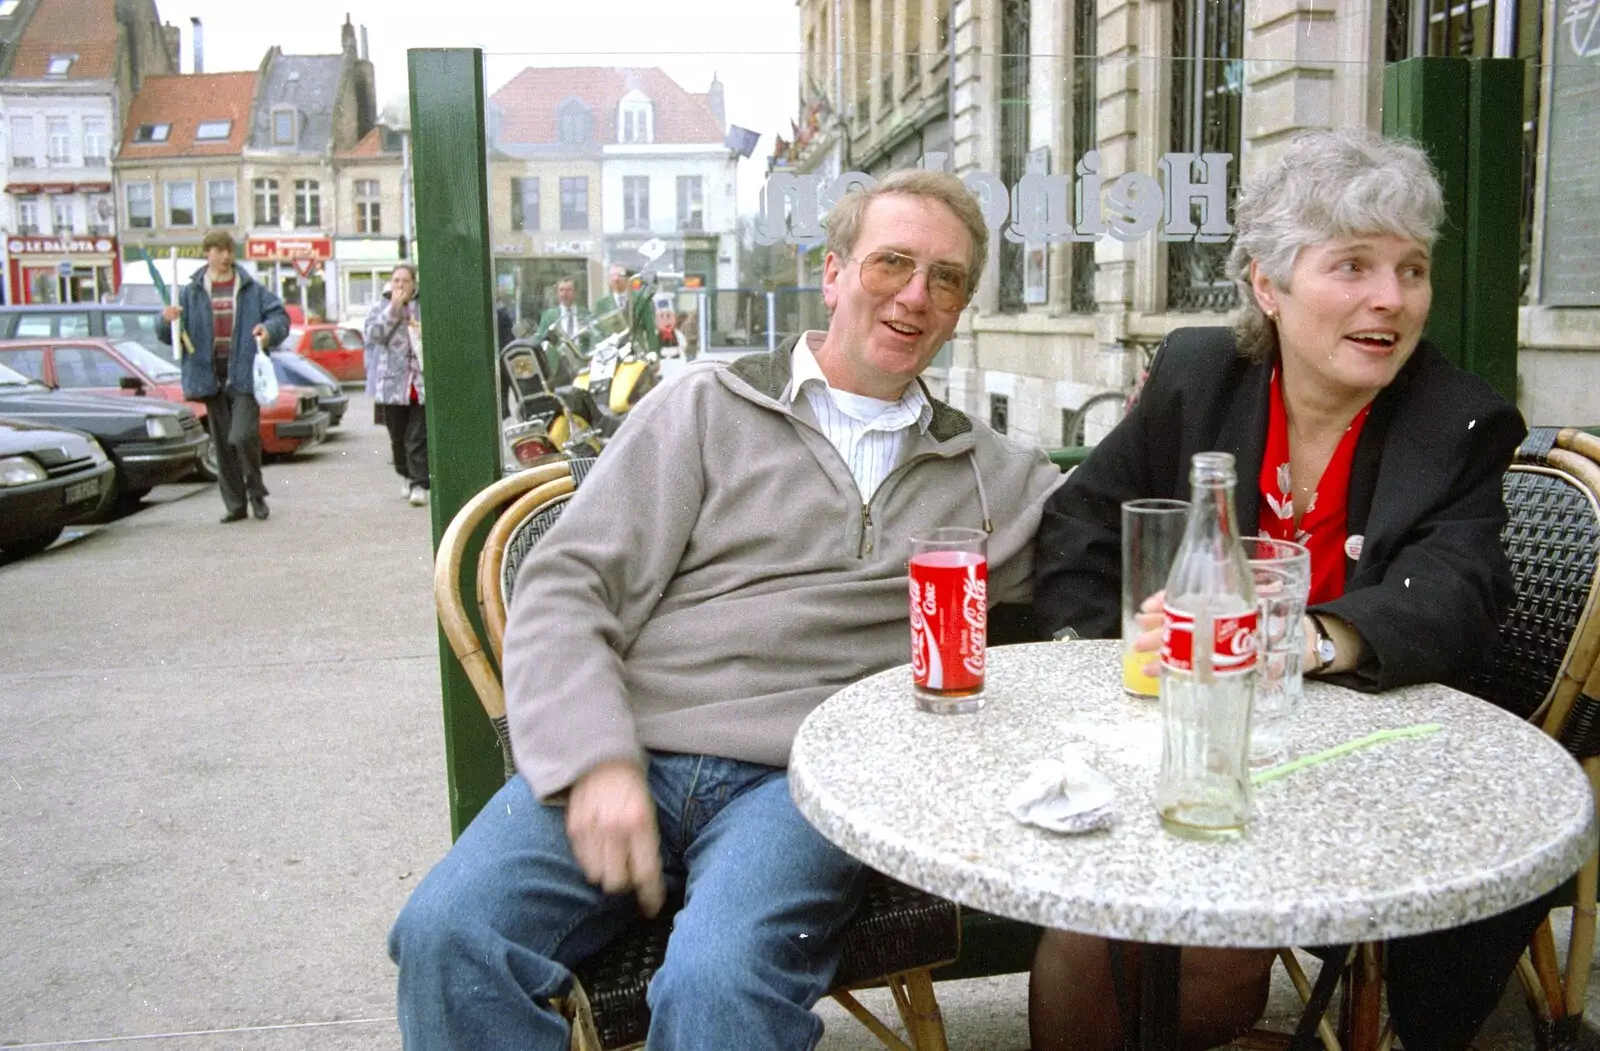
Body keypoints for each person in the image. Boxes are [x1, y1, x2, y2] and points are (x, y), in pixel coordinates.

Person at [388, 169, 1066, 1050]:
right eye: (891, 262)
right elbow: (568, 583)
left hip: (804, 782)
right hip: (634, 750)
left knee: (720, 988)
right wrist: (594, 760)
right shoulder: (705, 407)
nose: (914, 296)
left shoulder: (991, 475)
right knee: (449, 935)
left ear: (961, 306)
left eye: (946, 279)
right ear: (832, 274)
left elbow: (1118, 527)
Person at [1027, 128, 1538, 1051]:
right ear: (1268, 284)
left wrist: (1307, 637)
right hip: (1180, 742)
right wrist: (1112, 648)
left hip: (1353, 770)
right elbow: (1079, 524)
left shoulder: (1456, 418)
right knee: (1087, 924)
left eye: (1411, 268)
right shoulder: (1196, 372)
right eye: (1352, 265)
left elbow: (1460, 591)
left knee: (1213, 950)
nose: (1391, 298)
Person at [158, 229, 289, 524]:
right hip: (210, 377)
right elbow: (169, 334)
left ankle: (256, 491)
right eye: (219, 250)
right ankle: (235, 505)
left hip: (243, 375)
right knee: (223, 444)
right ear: (207, 253)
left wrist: (268, 332)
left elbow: (280, 317)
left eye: (229, 250)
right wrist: (165, 319)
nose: (226, 256)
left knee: (242, 436)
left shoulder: (250, 288)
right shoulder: (191, 292)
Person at [365, 263, 428, 507]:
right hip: (392, 385)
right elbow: (374, 335)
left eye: (405, 281)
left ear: (414, 285)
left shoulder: (423, 307)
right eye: (396, 281)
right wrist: (393, 308)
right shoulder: (381, 307)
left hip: (419, 384)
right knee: (398, 438)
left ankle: (419, 484)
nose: (400, 285)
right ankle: (406, 474)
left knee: (417, 438)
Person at [596, 262, 658, 352]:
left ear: (628, 278)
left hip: (638, 351)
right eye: (613, 275)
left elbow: (650, 329)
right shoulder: (602, 304)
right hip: (612, 353)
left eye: (620, 275)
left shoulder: (641, 300)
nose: (616, 279)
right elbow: (598, 333)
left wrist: (653, 353)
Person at [537, 278, 590, 352]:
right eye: (561, 290)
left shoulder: (585, 314)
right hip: (558, 360)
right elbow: (540, 339)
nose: (564, 293)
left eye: (568, 290)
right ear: (557, 293)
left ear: (576, 293)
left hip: (582, 358)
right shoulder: (549, 316)